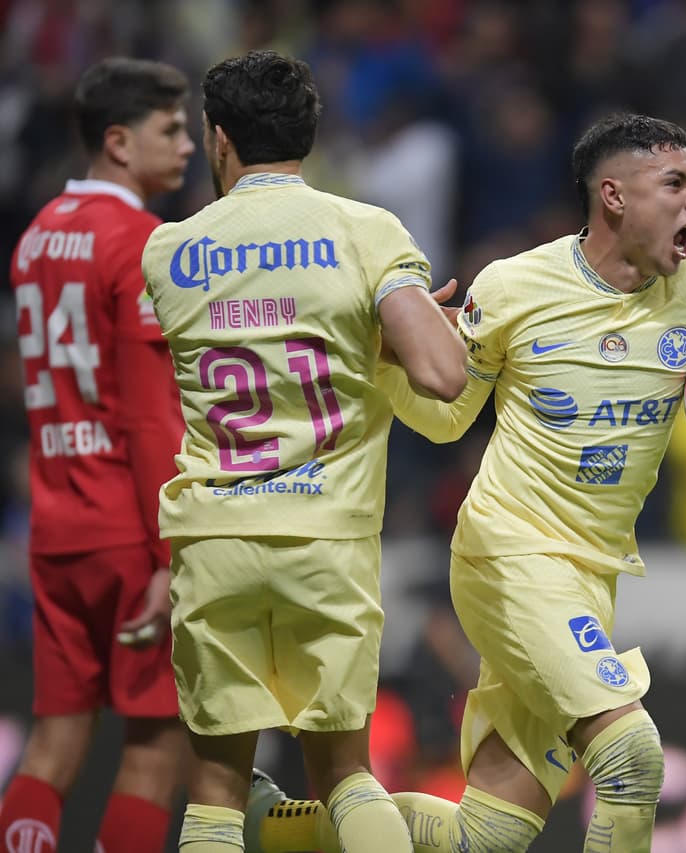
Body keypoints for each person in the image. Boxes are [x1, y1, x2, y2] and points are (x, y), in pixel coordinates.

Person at [246, 113, 686, 852]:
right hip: (508, 555)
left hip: (590, 576)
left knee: (485, 837)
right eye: (676, 184)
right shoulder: (517, 286)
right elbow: (449, 415)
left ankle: (281, 831)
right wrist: (390, 355)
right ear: (613, 196)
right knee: (631, 756)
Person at [138, 50, 467, 853]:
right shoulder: (364, 231)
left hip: (213, 537)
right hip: (326, 537)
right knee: (346, 775)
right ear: (310, 138)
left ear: (219, 140)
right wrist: (390, 335)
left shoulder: (169, 250)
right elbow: (444, 375)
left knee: (216, 790)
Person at [0, 57, 194, 853]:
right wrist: (168, 552)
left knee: (52, 744)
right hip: (126, 525)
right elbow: (151, 418)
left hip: (54, 526)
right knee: (155, 750)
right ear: (119, 141)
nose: (188, 146)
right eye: (171, 130)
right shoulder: (143, 242)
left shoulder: (36, 235)